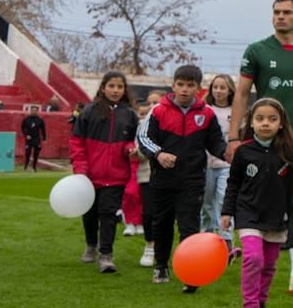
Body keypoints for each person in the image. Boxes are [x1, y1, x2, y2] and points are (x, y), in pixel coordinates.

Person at [228, 0, 293, 295]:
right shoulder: (257, 50)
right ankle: (258, 250)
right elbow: (242, 94)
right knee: (266, 195)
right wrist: (233, 137)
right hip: (266, 139)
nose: (280, 17)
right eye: (276, 12)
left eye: (287, 12)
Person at [222, 98, 293, 308]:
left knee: (268, 265)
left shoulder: (288, 151)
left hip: (277, 216)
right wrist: (227, 211)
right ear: (252, 123)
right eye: (260, 119)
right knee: (253, 258)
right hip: (248, 214)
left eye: (271, 119)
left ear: (281, 124)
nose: (265, 123)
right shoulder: (244, 151)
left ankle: (261, 302)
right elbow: (233, 184)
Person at [138, 65, 227, 291]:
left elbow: (216, 144)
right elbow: (144, 139)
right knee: (163, 224)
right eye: (181, 84)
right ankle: (161, 265)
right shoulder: (158, 111)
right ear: (173, 85)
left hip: (193, 180)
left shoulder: (206, 114)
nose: (185, 89)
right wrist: (159, 154)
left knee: (189, 226)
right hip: (163, 179)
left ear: (199, 88)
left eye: (190, 85)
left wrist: (233, 155)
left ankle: (191, 273)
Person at [68, 71, 140, 273]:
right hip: (89, 176)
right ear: (103, 88)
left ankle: (106, 255)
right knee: (89, 214)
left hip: (116, 177)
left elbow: (131, 142)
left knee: (108, 214)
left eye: (120, 87)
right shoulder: (88, 112)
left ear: (124, 90)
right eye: (112, 86)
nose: (116, 90)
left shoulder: (130, 115)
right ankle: (91, 244)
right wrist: (81, 169)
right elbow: (77, 143)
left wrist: (129, 149)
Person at [203, 74, 236, 255]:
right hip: (206, 163)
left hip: (227, 164)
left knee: (223, 201)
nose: (218, 91)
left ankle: (226, 239)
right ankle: (205, 237)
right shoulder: (205, 110)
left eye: (222, 87)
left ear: (230, 90)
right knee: (207, 203)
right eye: (215, 87)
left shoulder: (236, 112)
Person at [135, 91, 163, 267]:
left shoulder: (170, 121)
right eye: (151, 102)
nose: (153, 106)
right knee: (148, 213)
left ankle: (163, 250)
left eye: (157, 102)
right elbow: (138, 150)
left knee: (165, 216)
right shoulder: (142, 125)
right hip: (147, 174)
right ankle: (150, 246)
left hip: (171, 175)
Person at [20, 104, 46, 172]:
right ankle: (26, 165)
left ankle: (34, 167)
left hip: (36, 139)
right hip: (29, 139)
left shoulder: (40, 120)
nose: (34, 111)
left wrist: (44, 138)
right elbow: (22, 128)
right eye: (32, 110)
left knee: (36, 153)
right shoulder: (26, 119)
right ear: (30, 111)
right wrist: (26, 135)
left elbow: (43, 129)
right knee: (28, 152)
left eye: (35, 110)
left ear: (37, 111)